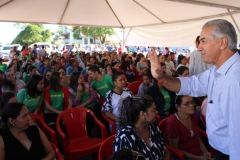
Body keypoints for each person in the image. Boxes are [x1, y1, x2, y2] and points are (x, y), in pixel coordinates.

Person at [149, 19, 240, 160]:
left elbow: (238, 138)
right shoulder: (217, 70)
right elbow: (190, 84)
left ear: (222, 42)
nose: (199, 47)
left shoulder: (235, 80)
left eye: (203, 41)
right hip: (221, 150)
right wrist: (162, 77)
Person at [113, 95, 170, 160]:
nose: (157, 112)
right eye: (153, 110)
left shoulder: (154, 127)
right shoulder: (125, 136)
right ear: (142, 114)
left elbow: (165, 150)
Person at [166, 95, 211, 159]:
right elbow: (175, 149)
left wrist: (206, 152)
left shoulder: (192, 116)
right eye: (186, 104)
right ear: (177, 107)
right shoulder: (172, 122)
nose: (191, 105)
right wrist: (198, 158)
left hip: (198, 154)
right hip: (184, 157)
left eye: (192, 102)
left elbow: (197, 137)